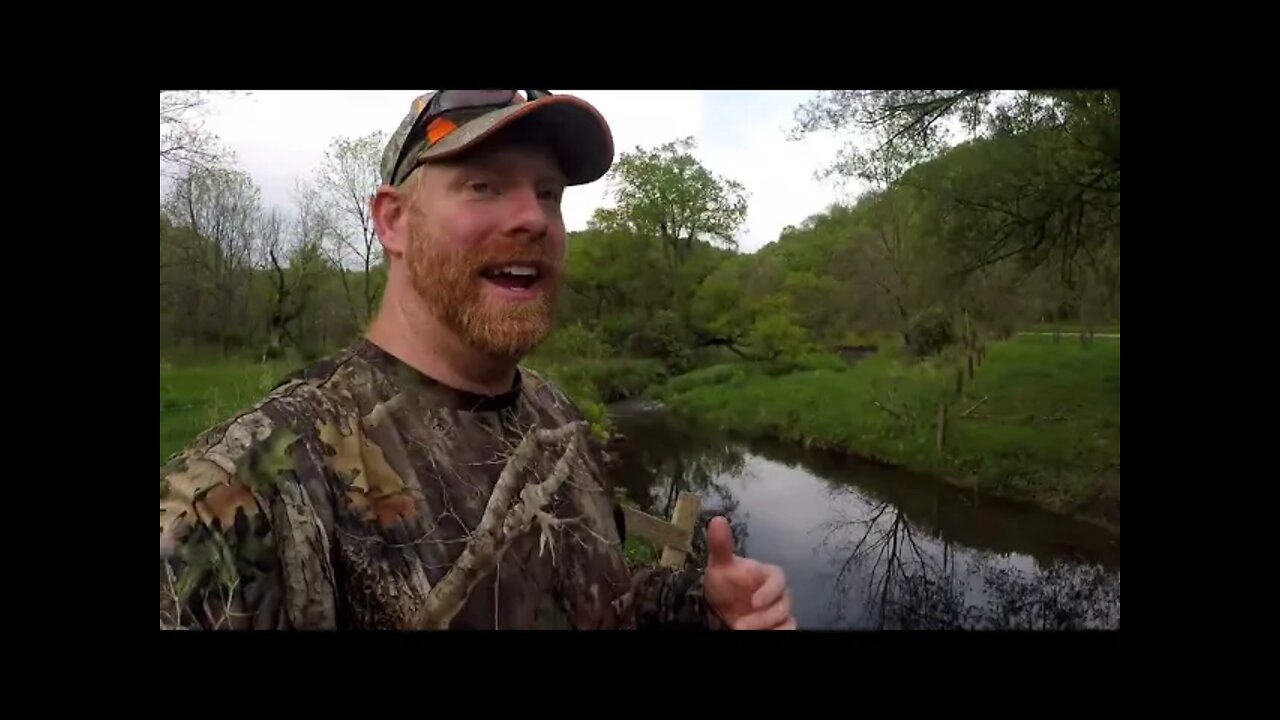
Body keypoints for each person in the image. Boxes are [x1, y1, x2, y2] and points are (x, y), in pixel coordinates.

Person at [158, 89, 796, 630]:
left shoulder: (558, 422)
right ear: (394, 221)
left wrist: (700, 607)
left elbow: (598, 593)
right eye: (484, 185)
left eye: (549, 193)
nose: (533, 218)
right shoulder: (242, 493)